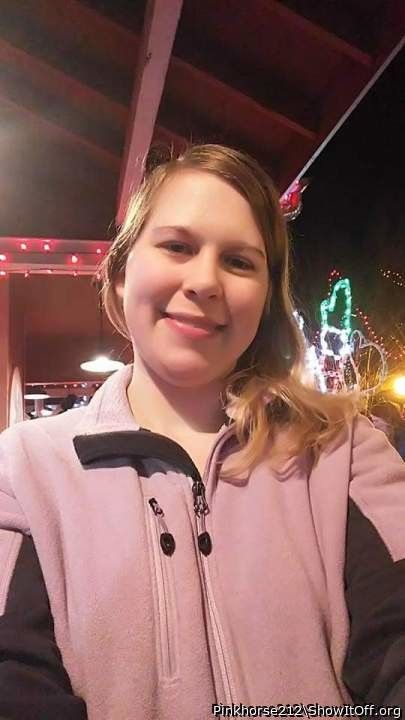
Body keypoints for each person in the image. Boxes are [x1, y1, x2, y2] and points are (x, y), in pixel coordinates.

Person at [1, 144, 405, 720]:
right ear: (121, 273)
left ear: (266, 299)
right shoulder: (22, 471)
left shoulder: (343, 449)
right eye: (177, 246)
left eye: (239, 261)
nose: (205, 281)